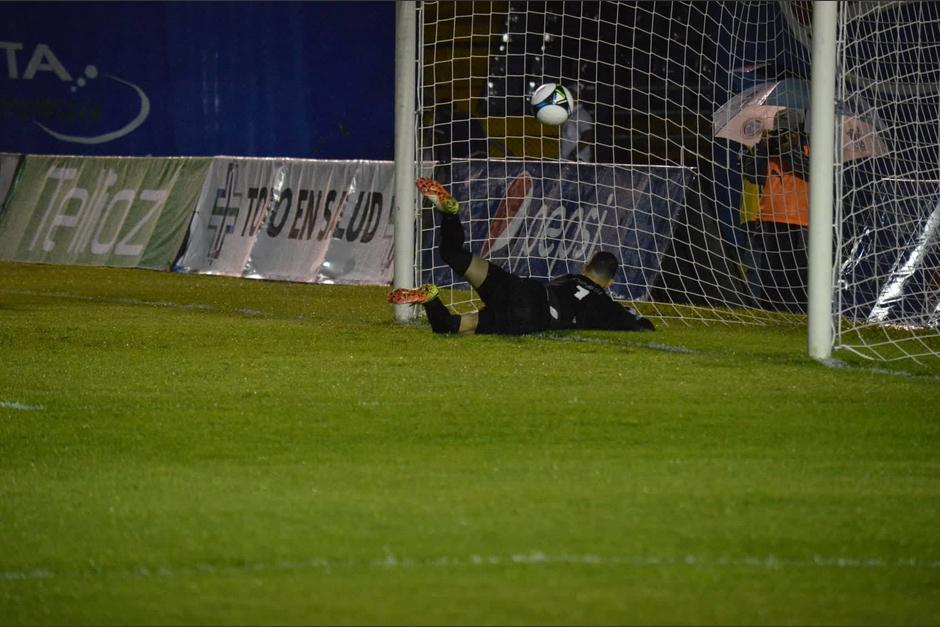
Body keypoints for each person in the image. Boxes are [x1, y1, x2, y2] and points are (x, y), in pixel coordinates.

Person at [387, 178, 655, 335]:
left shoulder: (569, 277)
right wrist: (633, 317)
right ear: (609, 282)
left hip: (521, 287)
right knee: (448, 326)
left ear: (585, 266)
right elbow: (643, 327)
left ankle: (450, 213)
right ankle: (432, 297)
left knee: (452, 252)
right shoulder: (604, 303)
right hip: (529, 317)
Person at [739, 108, 810, 313]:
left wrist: (790, 149)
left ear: (798, 132)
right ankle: (770, 311)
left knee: (797, 274)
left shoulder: (810, 147)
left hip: (801, 221)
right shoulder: (768, 149)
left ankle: (798, 312)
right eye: (778, 131)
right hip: (769, 217)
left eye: (786, 132)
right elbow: (751, 174)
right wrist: (762, 149)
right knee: (769, 274)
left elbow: (811, 171)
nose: (781, 136)